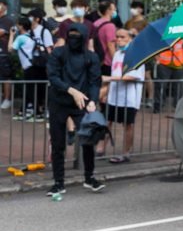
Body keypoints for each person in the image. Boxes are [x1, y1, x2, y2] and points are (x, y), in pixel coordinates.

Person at [45, 21, 103, 196]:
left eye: (78, 36)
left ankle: (89, 177)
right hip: (58, 102)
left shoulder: (91, 57)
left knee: (88, 140)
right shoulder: (58, 53)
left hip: (81, 103)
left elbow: (95, 81)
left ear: (85, 38)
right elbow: (53, 77)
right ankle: (58, 182)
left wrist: (92, 100)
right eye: (71, 35)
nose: (74, 39)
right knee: (58, 143)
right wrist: (71, 91)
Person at [103, 29, 145, 164]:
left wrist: (109, 79)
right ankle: (100, 148)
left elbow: (132, 76)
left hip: (129, 98)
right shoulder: (117, 54)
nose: (119, 39)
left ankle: (126, 153)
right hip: (114, 96)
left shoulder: (137, 55)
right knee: (107, 121)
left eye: (122, 37)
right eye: (117, 37)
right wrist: (107, 91)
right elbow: (116, 73)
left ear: (130, 39)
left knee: (128, 125)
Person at [14, 10, 54, 121]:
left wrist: (51, 65)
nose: (29, 19)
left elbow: (49, 49)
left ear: (37, 19)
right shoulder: (28, 32)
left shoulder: (44, 31)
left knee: (41, 88)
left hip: (42, 64)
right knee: (32, 88)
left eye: (30, 17)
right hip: (32, 64)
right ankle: (31, 109)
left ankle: (42, 110)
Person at [154, 37, 183, 111]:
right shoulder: (163, 32)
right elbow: (155, 47)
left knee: (179, 87)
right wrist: (157, 59)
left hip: (179, 64)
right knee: (161, 85)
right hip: (163, 63)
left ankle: (178, 107)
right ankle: (158, 106)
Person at [91, 0, 119, 77]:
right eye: (114, 9)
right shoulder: (110, 26)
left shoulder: (96, 23)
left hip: (97, 59)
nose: (115, 11)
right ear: (108, 10)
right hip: (106, 61)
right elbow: (111, 45)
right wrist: (115, 60)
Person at [0, 0, 13, 111]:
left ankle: (7, 99)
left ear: (5, 6)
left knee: (5, 77)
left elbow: (1, 32)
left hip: (3, 53)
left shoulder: (7, 20)